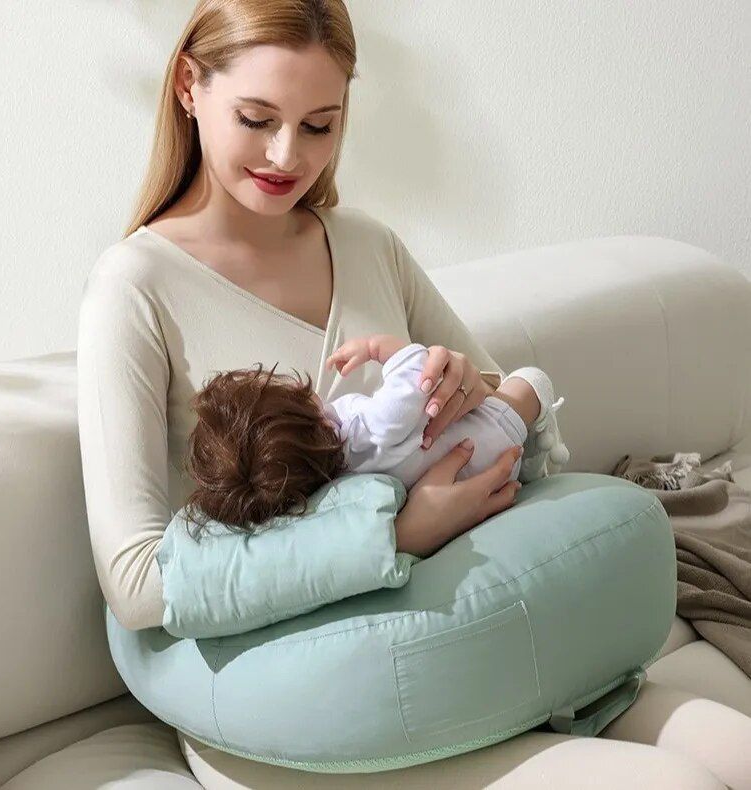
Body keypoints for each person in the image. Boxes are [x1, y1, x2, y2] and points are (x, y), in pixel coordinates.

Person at [75, 1, 751, 787]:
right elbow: (136, 584)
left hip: (470, 620)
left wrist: (469, 388)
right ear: (189, 87)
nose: (287, 155)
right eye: (257, 119)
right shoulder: (136, 286)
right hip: (311, 680)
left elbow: (523, 432)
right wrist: (395, 534)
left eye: (320, 125)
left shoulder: (366, 245)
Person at [177, 334, 567, 540]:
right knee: (530, 380)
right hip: (490, 434)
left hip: (469, 486)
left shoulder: (331, 485)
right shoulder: (368, 431)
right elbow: (417, 373)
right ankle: (542, 443)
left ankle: (532, 457)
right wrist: (377, 348)